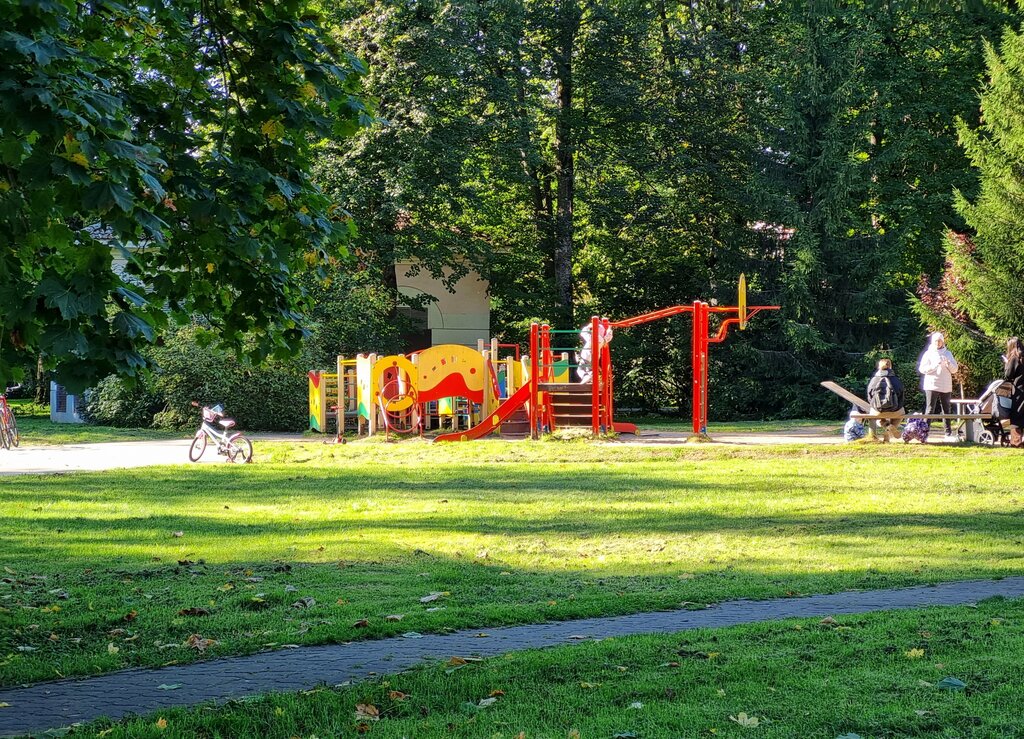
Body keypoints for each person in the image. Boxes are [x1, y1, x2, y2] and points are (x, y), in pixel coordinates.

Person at [918, 331, 959, 439]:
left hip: (945, 385)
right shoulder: (928, 353)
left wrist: (948, 364)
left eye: (940, 341)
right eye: (936, 341)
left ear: (943, 342)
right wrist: (934, 366)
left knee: (946, 409)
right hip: (932, 384)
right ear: (933, 341)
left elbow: (955, 370)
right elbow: (922, 369)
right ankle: (924, 433)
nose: (938, 343)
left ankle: (948, 433)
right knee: (930, 409)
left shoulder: (948, 353)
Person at [866, 358, 905, 442]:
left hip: (878, 411)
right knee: (900, 414)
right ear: (890, 366)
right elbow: (901, 397)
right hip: (895, 411)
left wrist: (876, 406)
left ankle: (886, 425)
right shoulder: (896, 380)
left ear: (878, 366)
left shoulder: (874, 380)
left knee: (875, 416)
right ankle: (888, 432)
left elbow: (869, 397)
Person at [1003, 337, 1024, 447]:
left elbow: (1008, 375)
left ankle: (1016, 442)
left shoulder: (1015, 358)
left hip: (1019, 391)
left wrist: (1007, 363)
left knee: (1016, 416)